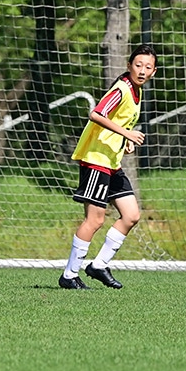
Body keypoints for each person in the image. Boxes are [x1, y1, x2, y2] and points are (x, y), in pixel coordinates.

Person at [59, 44, 158, 290]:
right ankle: (70, 275)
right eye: (138, 65)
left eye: (148, 67)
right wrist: (127, 133)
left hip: (111, 162)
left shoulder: (138, 91)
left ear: (154, 72)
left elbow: (116, 121)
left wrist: (124, 141)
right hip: (96, 159)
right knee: (95, 220)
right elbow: (96, 114)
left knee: (132, 215)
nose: (142, 71)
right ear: (128, 66)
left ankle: (99, 265)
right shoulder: (122, 88)